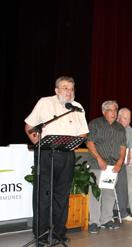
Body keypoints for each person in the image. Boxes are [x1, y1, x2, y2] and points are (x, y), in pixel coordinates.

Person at [25, 76, 89, 243]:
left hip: (67, 155)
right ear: (57, 90)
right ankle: (41, 234)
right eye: (65, 88)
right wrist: (39, 145)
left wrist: (73, 142)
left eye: (71, 88)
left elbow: (83, 132)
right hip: (47, 154)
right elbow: (29, 126)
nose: (69, 92)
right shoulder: (45, 102)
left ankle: (59, 232)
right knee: (43, 195)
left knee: (62, 195)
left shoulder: (77, 107)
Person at [87, 100, 126, 234]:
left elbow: (122, 146)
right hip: (97, 165)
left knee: (109, 194)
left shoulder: (120, 128)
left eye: (116, 110)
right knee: (95, 194)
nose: (114, 113)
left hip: (112, 166)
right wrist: (99, 159)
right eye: (111, 110)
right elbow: (90, 143)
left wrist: (120, 162)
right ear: (104, 111)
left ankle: (107, 219)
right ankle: (94, 222)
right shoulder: (95, 124)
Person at [116, 108, 132, 222]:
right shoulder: (112, 126)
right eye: (125, 118)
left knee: (123, 187)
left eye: (129, 119)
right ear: (118, 117)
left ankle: (123, 213)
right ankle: (106, 215)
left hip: (122, 162)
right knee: (108, 189)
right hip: (110, 161)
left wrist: (128, 157)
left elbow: (129, 145)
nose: (128, 121)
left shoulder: (128, 129)